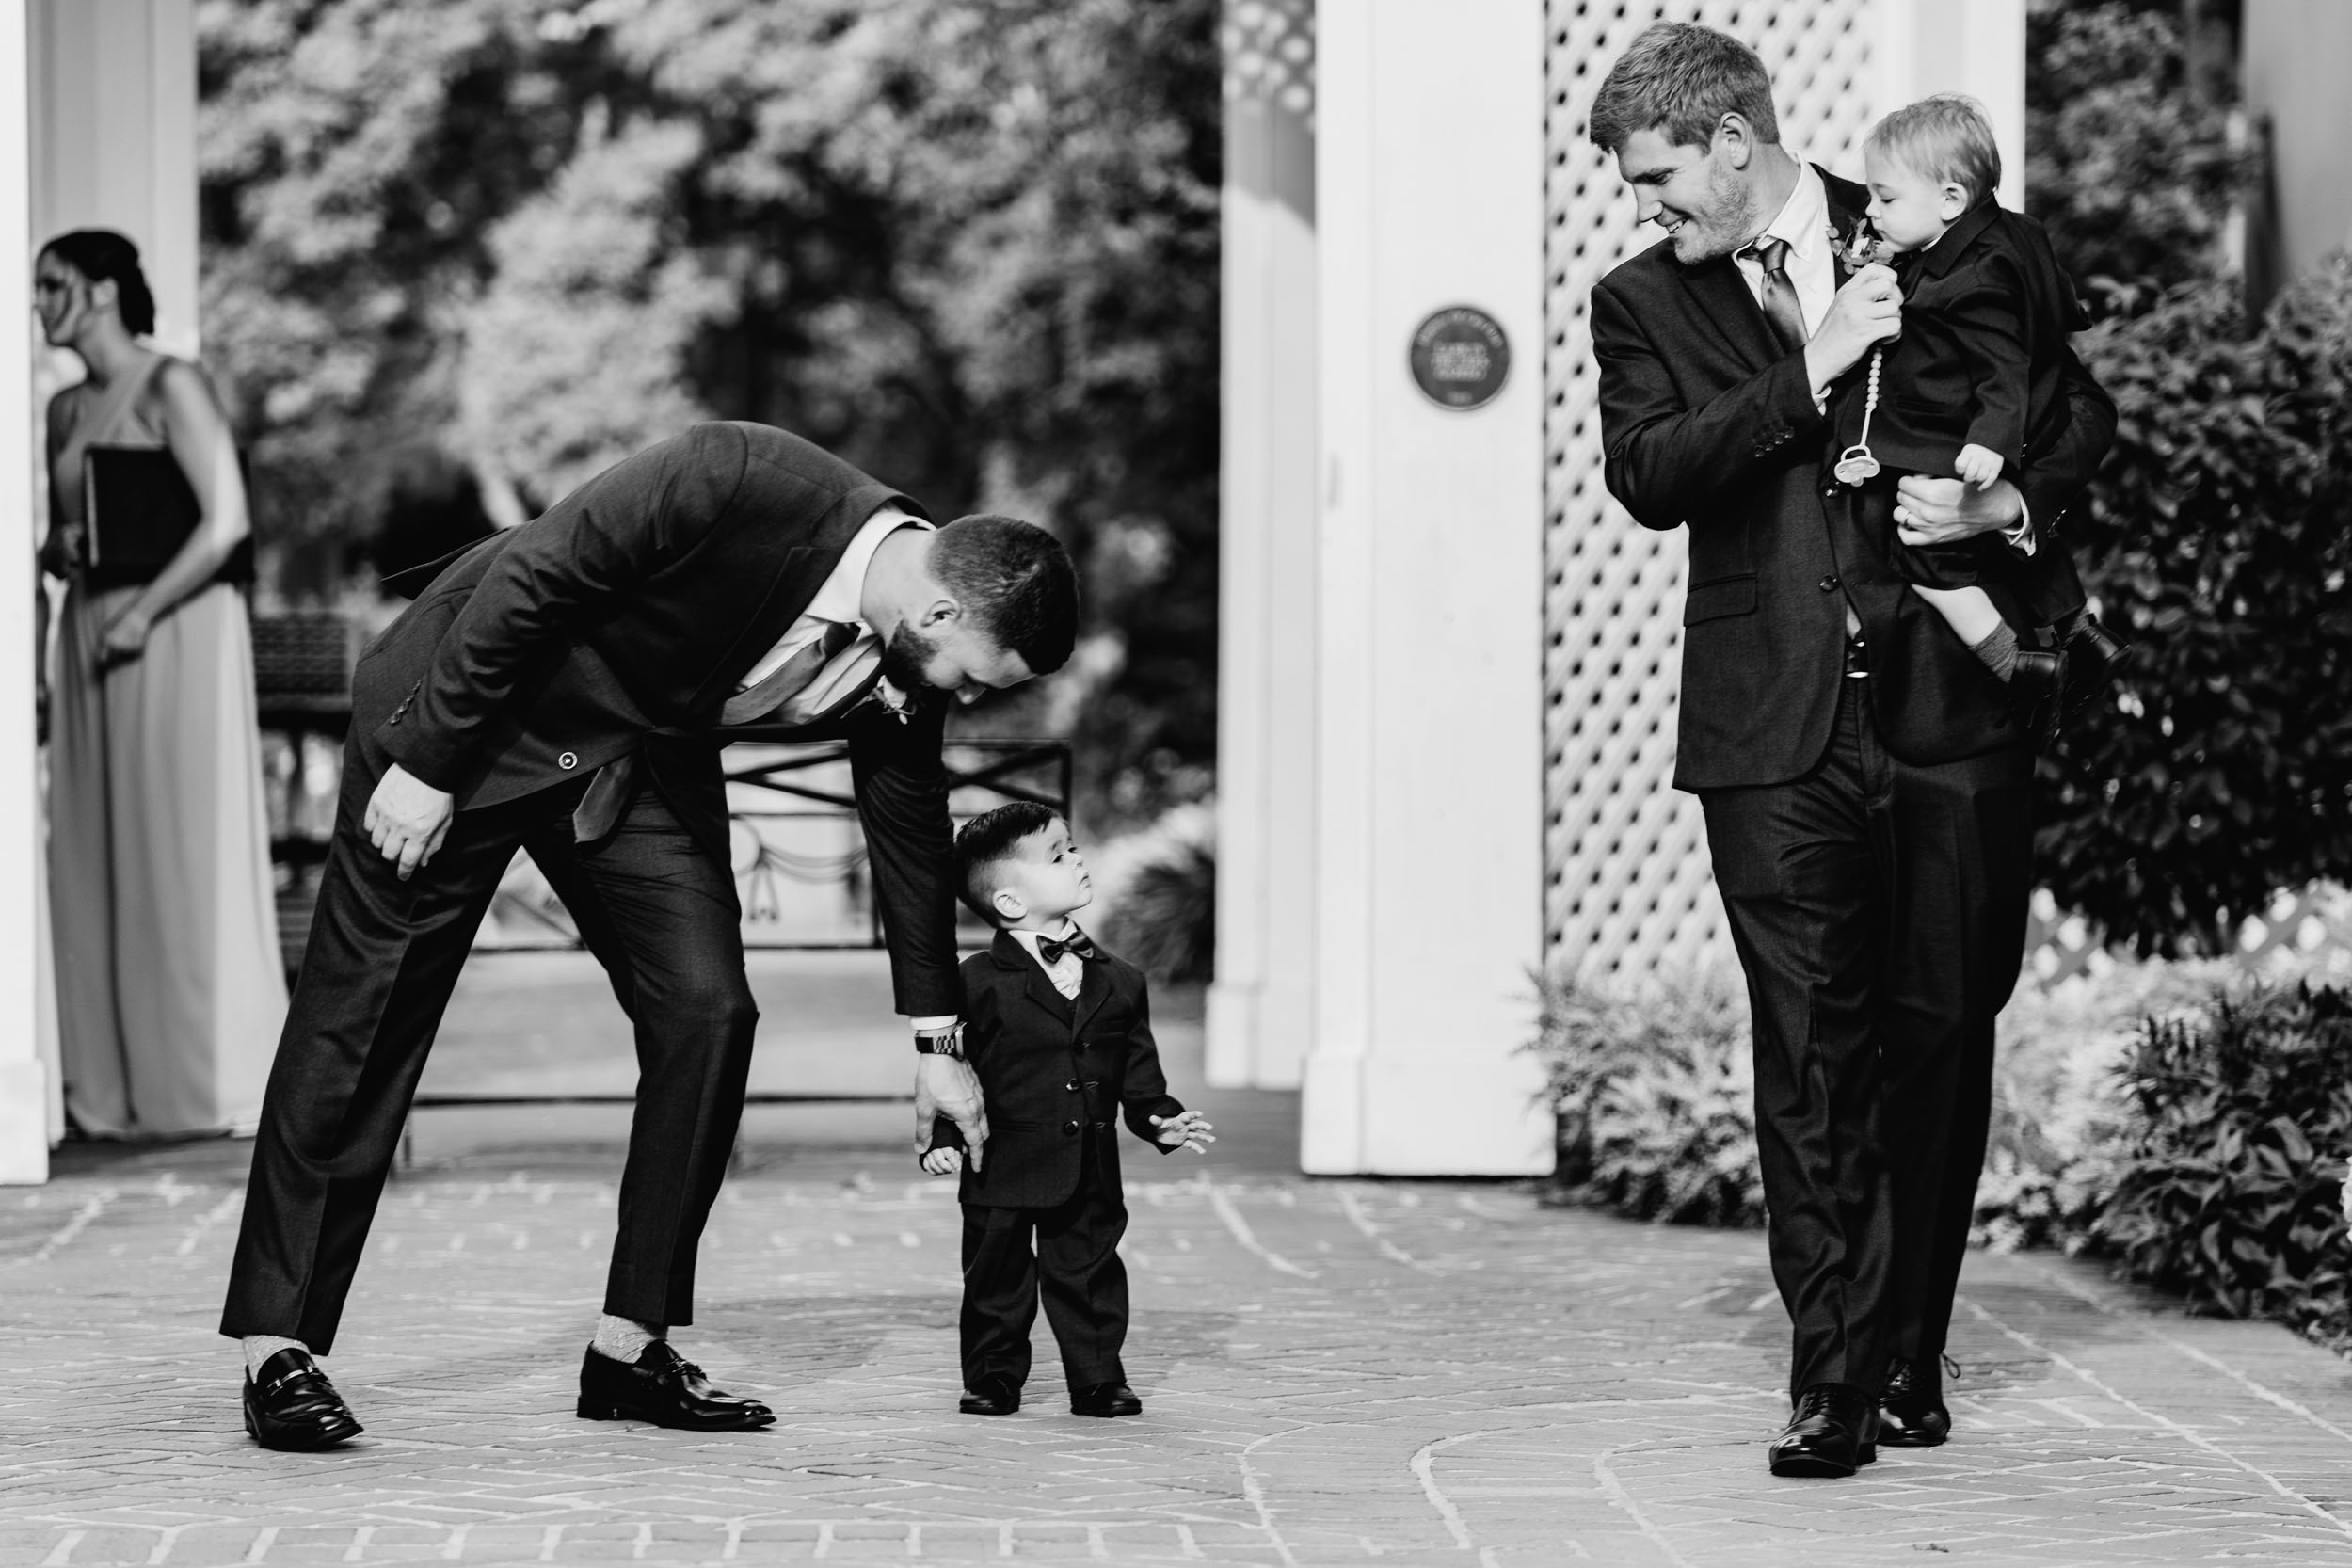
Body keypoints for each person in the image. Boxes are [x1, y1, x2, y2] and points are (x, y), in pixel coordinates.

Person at [219, 421, 1076, 1451]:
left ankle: (630, 1348)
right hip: (474, 717)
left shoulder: (907, 646)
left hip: (635, 763)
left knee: (709, 1010)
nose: (969, 699)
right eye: (977, 677)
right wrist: (430, 764)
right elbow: (535, 575)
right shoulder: (736, 475)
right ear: (939, 606)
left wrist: (938, 1044)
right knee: (362, 1020)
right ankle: (278, 1350)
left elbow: (904, 817)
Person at [1585, 24, 2117, 1477]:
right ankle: (1831, 1375)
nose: (1647, 210)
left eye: (1658, 178)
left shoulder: (1935, 217)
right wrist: (1811, 367)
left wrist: (2001, 516)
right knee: (1811, 1053)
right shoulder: (1636, 301)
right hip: (1772, 733)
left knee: (1940, 1035)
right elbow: (1649, 471)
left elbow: (2078, 413)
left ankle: (1907, 1350)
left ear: (1735, 142)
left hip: (1953, 714)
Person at [35, 229, 286, 1142]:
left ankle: (199, 1077)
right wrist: (57, 551)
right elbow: (68, 529)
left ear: (102, 291)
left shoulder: (173, 381)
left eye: (53, 285)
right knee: (92, 854)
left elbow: (226, 521)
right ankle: (107, 1089)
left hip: (175, 628)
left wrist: (145, 610)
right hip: (90, 630)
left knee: (176, 848)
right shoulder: (64, 411)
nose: (39, 304)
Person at [1831, 94, 2122, 744]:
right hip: (2021, 417)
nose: (1868, 211)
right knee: (2014, 543)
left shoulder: (1971, 279)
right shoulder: (2014, 232)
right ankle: (2083, 635)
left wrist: (1990, 443)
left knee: (1924, 556)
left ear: (1950, 200)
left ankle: (2017, 666)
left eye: (1883, 199)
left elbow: (1998, 365)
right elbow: (2051, 301)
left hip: (1960, 441)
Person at [920, 803, 1212, 1418]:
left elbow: (1137, 1072)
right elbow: (955, 1070)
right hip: (999, 1155)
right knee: (997, 1277)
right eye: (1058, 855)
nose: (1076, 859)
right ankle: (993, 1377)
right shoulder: (974, 982)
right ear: (1007, 902)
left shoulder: (1121, 981)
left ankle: (1097, 1377)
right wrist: (943, 1133)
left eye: (1073, 847)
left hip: (1090, 1162)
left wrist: (1160, 1117)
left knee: (1089, 1272)